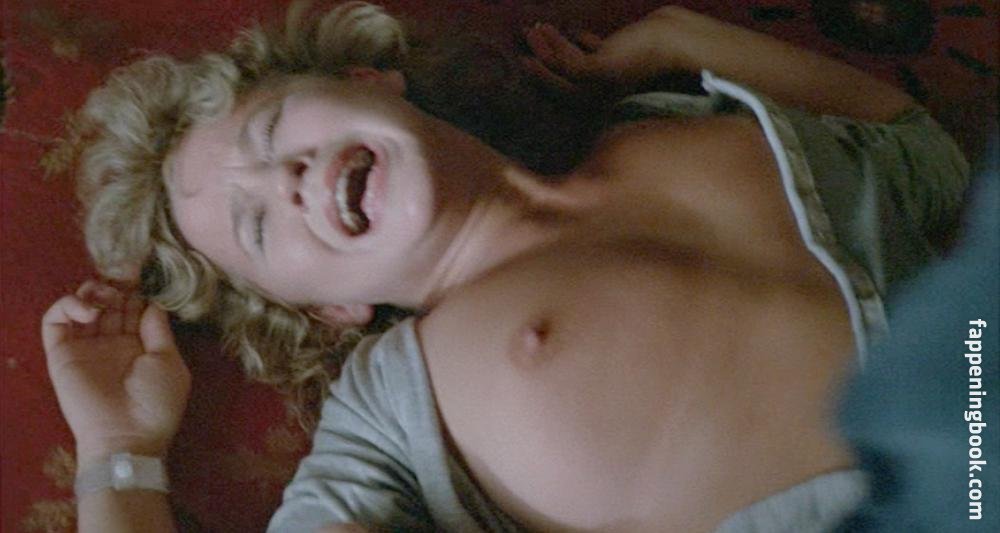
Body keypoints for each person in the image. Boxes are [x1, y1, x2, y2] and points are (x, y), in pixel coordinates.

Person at [40, 2, 970, 531]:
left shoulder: (676, 119)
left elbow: (921, 153)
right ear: (327, 309)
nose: (285, 178)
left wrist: (680, 38)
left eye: (274, 130)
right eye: (255, 226)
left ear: (370, 81)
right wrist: (120, 450)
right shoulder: (392, 405)